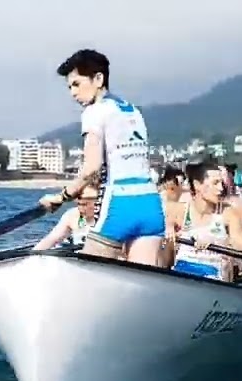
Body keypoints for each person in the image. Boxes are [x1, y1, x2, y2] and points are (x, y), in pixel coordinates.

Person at [39, 49, 165, 266]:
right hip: (151, 206)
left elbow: (91, 168)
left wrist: (62, 197)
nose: (73, 93)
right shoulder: (133, 111)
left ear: (98, 79)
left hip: (120, 206)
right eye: (69, 87)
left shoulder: (94, 112)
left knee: (86, 275)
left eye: (76, 84)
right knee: (138, 283)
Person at [163, 161, 242, 282]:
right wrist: (168, 229)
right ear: (197, 185)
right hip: (183, 270)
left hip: (214, 274)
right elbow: (166, 258)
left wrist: (221, 243)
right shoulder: (179, 211)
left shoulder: (228, 213)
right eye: (215, 183)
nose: (221, 188)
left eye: (221, 183)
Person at [33, 185, 99, 250]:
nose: (82, 208)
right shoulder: (72, 215)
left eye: (87, 202)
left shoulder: (106, 217)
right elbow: (51, 239)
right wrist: (31, 257)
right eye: (80, 202)